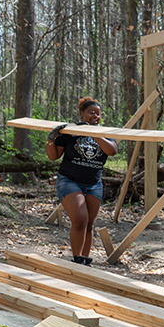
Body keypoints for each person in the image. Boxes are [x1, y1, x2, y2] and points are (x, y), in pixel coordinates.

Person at [45, 97, 118, 265]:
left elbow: (112, 150)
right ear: (82, 113)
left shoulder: (106, 132)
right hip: (70, 180)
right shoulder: (70, 131)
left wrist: (94, 133)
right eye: (91, 113)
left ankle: (84, 260)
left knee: (89, 224)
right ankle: (77, 259)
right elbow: (53, 156)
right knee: (80, 219)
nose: (95, 116)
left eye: (98, 114)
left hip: (93, 183)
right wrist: (51, 140)